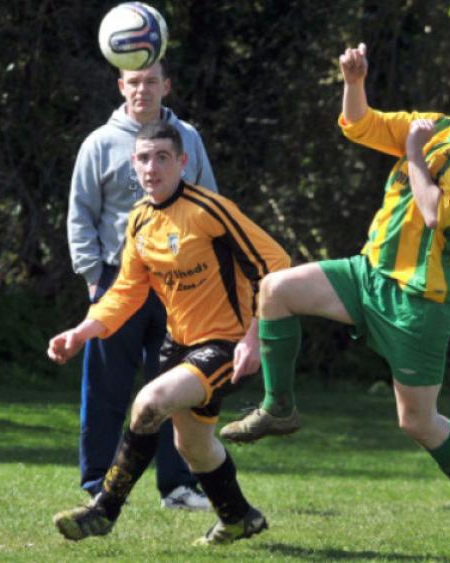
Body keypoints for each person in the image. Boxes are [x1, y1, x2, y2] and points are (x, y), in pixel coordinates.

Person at [220, 43, 450, 553]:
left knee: (417, 421)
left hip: (418, 301)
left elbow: (434, 213)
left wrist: (415, 154)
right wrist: (353, 81)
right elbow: (360, 124)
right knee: (275, 290)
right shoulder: (431, 123)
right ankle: (278, 408)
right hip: (367, 273)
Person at [49, 121, 291, 544]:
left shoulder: (209, 210)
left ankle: (102, 511)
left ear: (182, 162)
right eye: (144, 158)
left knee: (149, 403)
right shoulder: (140, 220)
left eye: (163, 157)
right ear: (133, 165)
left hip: (227, 344)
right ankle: (239, 517)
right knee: (193, 446)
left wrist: (255, 337)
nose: (152, 167)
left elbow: (276, 265)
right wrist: (82, 331)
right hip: (178, 346)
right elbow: (126, 290)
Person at [68, 59, 217, 509]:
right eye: (134, 82)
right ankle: (97, 484)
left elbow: (211, 202)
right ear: (121, 85)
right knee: (106, 388)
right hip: (118, 280)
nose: (143, 90)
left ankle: (177, 487)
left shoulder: (187, 137)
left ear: (166, 85)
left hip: (178, 282)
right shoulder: (99, 143)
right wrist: (95, 278)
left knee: (173, 387)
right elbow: (81, 214)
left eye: (152, 81)